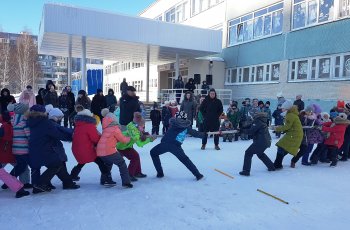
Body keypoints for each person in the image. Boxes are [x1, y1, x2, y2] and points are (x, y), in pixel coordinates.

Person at [27, 105, 80, 193]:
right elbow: (58, 134)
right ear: (43, 113)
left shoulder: (30, 121)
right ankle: (40, 183)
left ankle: (67, 183)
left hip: (34, 149)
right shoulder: (45, 122)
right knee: (57, 164)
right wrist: (72, 137)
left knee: (56, 164)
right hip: (44, 149)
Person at [150, 111, 204, 180]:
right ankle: (198, 175)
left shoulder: (173, 124)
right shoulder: (186, 127)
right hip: (175, 146)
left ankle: (160, 173)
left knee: (153, 153)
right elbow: (196, 134)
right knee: (185, 159)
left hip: (165, 144)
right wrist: (205, 135)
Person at [70, 109, 115, 186]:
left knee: (82, 162)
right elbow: (95, 138)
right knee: (101, 162)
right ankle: (107, 179)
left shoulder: (78, 125)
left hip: (77, 149)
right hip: (86, 149)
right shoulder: (89, 126)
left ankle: (72, 176)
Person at [96, 113, 133, 188]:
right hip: (108, 150)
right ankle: (126, 182)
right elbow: (123, 140)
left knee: (108, 163)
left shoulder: (105, 129)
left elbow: (110, 139)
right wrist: (129, 138)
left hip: (99, 151)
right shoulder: (115, 129)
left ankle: (105, 180)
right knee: (121, 163)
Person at [116, 112, 155, 181]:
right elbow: (139, 143)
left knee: (136, 156)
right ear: (139, 124)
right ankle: (129, 175)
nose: (143, 126)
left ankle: (137, 173)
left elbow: (140, 133)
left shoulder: (133, 124)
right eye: (143, 125)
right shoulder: (134, 130)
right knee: (134, 157)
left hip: (125, 145)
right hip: (122, 146)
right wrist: (150, 139)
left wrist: (144, 134)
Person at [272, 101, 303, 170]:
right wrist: (279, 127)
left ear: (287, 108)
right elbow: (288, 126)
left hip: (294, 134)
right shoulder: (291, 114)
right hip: (295, 134)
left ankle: (277, 165)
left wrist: (276, 128)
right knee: (284, 148)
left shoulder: (290, 115)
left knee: (281, 146)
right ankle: (278, 163)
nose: (281, 109)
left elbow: (287, 127)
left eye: (283, 108)